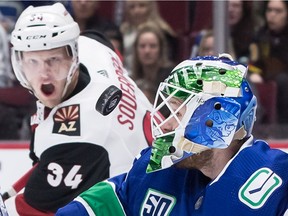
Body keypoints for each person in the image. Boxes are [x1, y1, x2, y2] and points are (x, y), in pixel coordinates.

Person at [56, 54, 288, 216]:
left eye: (177, 110)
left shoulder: (279, 182)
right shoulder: (155, 168)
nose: (164, 126)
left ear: (216, 117)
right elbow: (95, 207)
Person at [4, 3, 153, 215]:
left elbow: (29, 211)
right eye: (33, 62)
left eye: (53, 60)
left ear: (73, 56)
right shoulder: (94, 45)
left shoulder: (75, 139)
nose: (43, 74)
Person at [249, 0, 288, 124]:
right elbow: (254, 63)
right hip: (268, 77)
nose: (272, 15)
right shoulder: (260, 36)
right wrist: (255, 73)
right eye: (269, 10)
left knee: (283, 80)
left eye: (278, 11)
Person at [120, 0, 177, 73]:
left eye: (142, 5)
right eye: (132, 7)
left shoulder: (163, 32)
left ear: (151, 7)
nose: (136, 11)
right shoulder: (123, 31)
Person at [131, 22, 175, 104]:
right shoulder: (131, 80)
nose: (147, 51)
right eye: (142, 46)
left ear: (161, 49)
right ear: (136, 49)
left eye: (153, 46)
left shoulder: (173, 78)